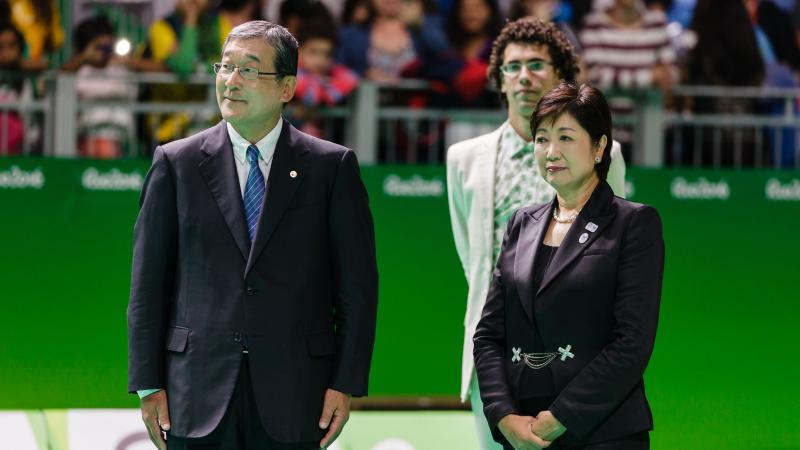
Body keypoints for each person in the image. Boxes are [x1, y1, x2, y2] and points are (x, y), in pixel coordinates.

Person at [127, 20, 378, 450]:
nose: (232, 81)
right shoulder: (176, 163)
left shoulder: (331, 168)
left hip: (298, 393)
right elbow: (148, 285)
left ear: (286, 88)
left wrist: (345, 382)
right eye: (225, 67)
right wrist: (148, 382)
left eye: (249, 69)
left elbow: (357, 288)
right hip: (194, 392)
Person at [446, 17, 627, 450]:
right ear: (499, 80)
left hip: (580, 355)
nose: (523, 76)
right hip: (496, 358)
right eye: (512, 67)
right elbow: (472, 255)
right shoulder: (464, 158)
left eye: (536, 65)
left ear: (560, 76)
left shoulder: (609, 154)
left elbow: (611, 249)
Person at [473, 82, 664, 449]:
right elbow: (489, 335)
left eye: (565, 137)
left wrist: (563, 416)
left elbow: (632, 342)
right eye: (541, 139)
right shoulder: (521, 222)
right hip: (523, 433)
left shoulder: (634, 223)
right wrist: (502, 415)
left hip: (603, 432)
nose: (551, 151)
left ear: (599, 147)